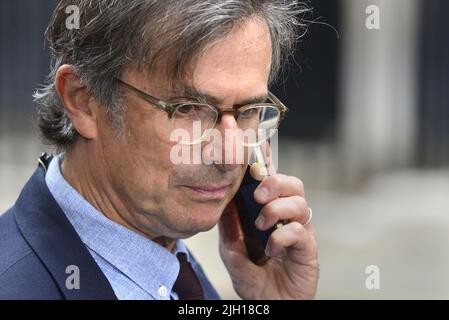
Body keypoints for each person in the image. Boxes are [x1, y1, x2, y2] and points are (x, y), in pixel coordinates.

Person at [0, 0, 318, 300]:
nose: (231, 155)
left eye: (248, 110)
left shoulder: (171, 266)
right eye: (188, 109)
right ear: (83, 101)